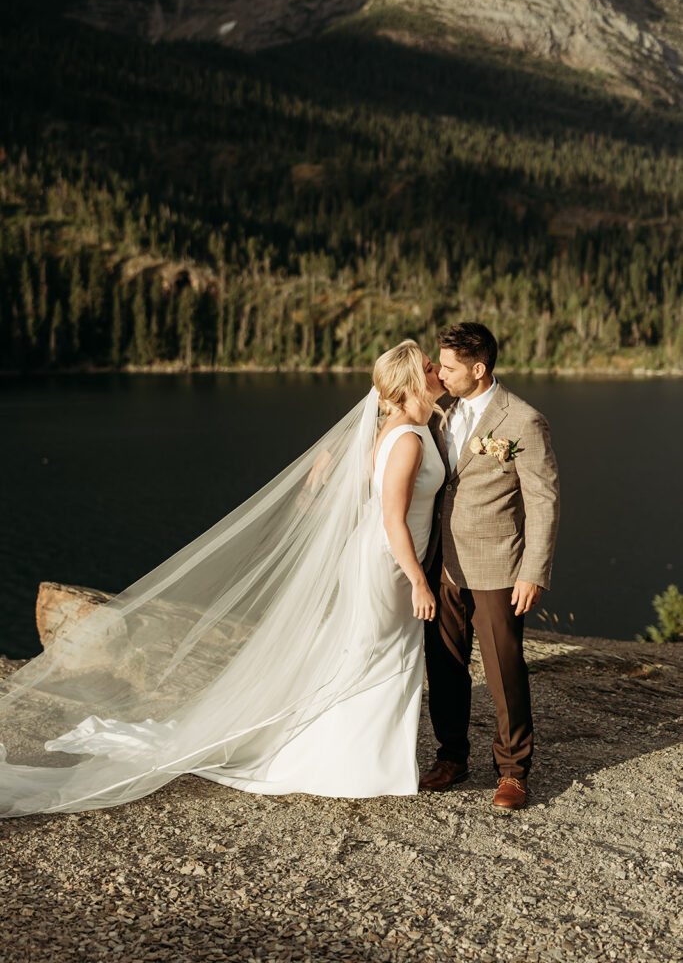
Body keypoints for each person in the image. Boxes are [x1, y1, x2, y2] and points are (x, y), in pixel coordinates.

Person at [0, 341, 445, 816]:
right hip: (389, 563)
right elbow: (393, 519)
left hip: (383, 559)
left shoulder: (400, 429)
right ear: (412, 382)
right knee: (376, 655)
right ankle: (355, 763)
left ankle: (364, 759)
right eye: (428, 367)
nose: (438, 371)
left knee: (373, 655)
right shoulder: (409, 440)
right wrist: (418, 580)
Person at [419, 322, 560, 811]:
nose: (440, 373)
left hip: (499, 564)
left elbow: (544, 501)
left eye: (450, 367)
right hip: (441, 562)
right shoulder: (438, 410)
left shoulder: (523, 420)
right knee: (445, 663)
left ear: (479, 369)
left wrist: (533, 570)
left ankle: (513, 771)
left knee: (503, 669)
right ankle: (452, 756)